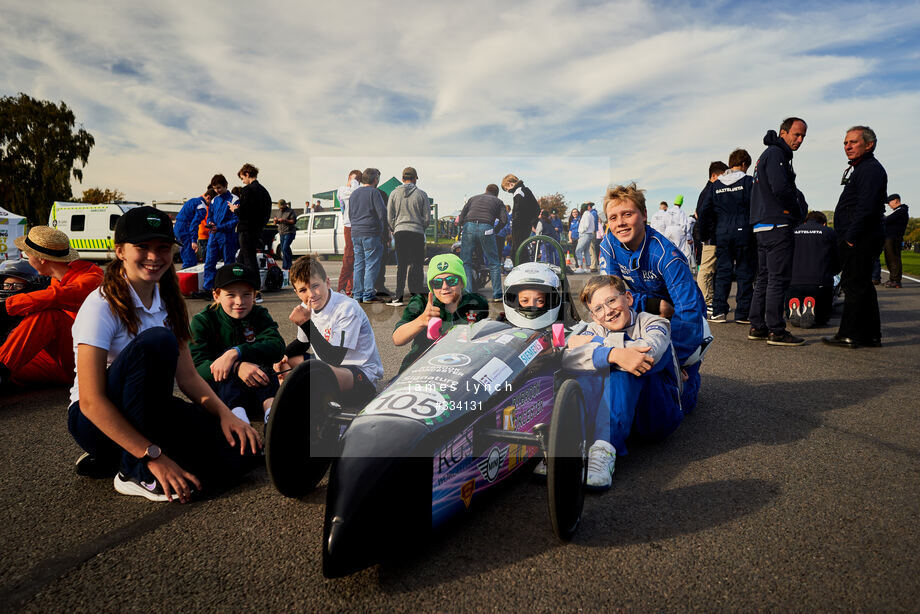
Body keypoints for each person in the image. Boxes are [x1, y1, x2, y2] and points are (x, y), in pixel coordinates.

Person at [67, 206, 260, 501]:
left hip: (151, 415)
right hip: (93, 421)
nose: (154, 257)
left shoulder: (169, 301)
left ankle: (115, 457)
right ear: (120, 251)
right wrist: (153, 457)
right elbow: (91, 402)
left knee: (243, 454)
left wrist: (227, 415)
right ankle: (132, 469)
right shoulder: (100, 306)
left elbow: (189, 378)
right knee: (157, 341)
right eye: (142, 247)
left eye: (162, 248)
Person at [563, 275, 683, 490]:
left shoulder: (654, 321)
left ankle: (604, 448)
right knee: (587, 370)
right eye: (598, 308)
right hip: (624, 414)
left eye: (611, 301)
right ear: (593, 316)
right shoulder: (595, 328)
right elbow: (569, 358)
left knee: (627, 368)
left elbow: (648, 353)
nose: (607, 311)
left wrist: (602, 347)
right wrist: (612, 353)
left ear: (628, 298)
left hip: (657, 416)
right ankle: (572, 444)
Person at [599, 183, 708, 413]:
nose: (620, 223)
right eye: (613, 217)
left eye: (628, 214)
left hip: (684, 318)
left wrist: (673, 360)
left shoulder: (666, 255)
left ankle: (691, 378)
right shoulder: (608, 244)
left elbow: (689, 312)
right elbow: (610, 298)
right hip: (651, 310)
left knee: (675, 402)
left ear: (644, 215)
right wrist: (652, 304)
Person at [0, 227, 103, 390]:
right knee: (10, 370)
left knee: (50, 316)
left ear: (41, 259)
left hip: (82, 362)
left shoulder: (90, 280)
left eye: (28, 253)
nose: (26, 257)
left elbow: (56, 297)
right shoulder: (57, 279)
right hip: (56, 359)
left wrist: (7, 306)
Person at [275, 255, 383, 408]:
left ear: (327, 282)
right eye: (303, 290)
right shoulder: (307, 306)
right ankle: (296, 398)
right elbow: (302, 343)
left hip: (360, 374)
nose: (311, 294)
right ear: (296, 292)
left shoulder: (347, 308)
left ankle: (306, 403)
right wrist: (280, 357)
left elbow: (334, 358)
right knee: (287, 363)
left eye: (315, 285)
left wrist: (306, 323)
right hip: (328, 366)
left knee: (314, 374)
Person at [190, 263, 284, 424]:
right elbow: (196, 366)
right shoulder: (203, 321)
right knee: (225, 377)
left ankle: (272, 417)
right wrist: (236, 367)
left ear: (255, 296)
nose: (239, 301)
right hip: (221, 395)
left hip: (257, 386)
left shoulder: (259, 314)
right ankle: (239, 421)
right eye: (231, 295)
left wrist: (237, 352)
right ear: (216, 295)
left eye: (247, 294)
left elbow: (277, 346)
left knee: (265, 370)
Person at [824, 126, 887, 349]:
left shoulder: (870, 169)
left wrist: (850, 237)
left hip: (860, 237)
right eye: (845, 143)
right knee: (863, 286)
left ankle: (849, 334)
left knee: (853, 286)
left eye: (853, 142)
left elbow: (866, 207)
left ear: (869, 145)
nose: (847, 146)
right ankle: (871, 335)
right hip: (861, 235)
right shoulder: (862, 168)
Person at [748, 117, 808, 346]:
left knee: (764, 277)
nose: (800, 140)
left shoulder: (769, 154)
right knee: (777, 279)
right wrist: (796, 212)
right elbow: (781, 188)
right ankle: (776, 330)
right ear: (783, 132)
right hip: (776, 224)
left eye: (803, 136)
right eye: (796, 134)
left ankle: (757, 325)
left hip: (762, 224)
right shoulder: (776, 154)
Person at [392, 254, 489, 374]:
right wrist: (421, 320)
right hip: (420, 369)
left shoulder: (475, 302)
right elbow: (397, 339)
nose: (444, 287)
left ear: (462, 283)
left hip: (459, 370)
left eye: (451, 281)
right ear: (431, 286)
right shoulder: (421, 301)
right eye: (437, 283)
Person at [699, 153, 756, 324]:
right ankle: (743, 313)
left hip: (721, 233)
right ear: (745, 164)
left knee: (722, 272)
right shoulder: (748, 182)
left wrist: (704, 235)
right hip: (744, 232)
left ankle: (718, 311)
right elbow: (756, 206)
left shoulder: (716, 185)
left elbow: (704, 211)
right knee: (744, 271)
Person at [387, 167, 431, 306]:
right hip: (416, 232)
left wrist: (396, 227)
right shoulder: (421, 194)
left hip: (400, 231)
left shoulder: (394, 193)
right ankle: (417, 296)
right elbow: (427, 218)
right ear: (415, 178)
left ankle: (398, 296)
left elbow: (390, 216)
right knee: (417, 265)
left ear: (402, 178)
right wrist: (420, 227)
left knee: (402, 265)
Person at [787, 211, 839, 328]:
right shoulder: (829, 232)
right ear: (824, 223)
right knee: (822, 319)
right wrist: (833, 272)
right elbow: (837, 257)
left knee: (792, 300)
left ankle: (796, 308)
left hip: (794, 282)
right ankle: (813, 309)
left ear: (805, 222)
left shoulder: (794, 231)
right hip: (820, 282)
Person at [457, 184, 508, 302]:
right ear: (497, 193)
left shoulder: (473, 198)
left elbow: (461, 217)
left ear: (485, 190)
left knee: (466, 262)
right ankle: (497, 295)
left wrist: (464, 228)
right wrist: (495, 230)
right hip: (487, 227)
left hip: (469, 226)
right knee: (494, 263)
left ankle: (469, 293)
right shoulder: (498, 201)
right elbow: (504, 220)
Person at [348, 168, 389, 304]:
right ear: (375, 179)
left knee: (359, 264)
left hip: (356, 232)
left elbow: (350, 214)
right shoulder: (374, 192)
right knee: (371, 263)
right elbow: (382, 214)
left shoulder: (354, 194)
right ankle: (368, 294)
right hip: (371, 232)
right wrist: (385, 233)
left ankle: (357, 294)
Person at [197, 174, 238, 299]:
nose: (217, 191)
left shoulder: (234, 199)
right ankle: (208, 288)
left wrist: (219, 227)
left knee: (229, 263)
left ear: (226, 185)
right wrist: (210, 222)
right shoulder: (215, 200)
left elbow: (235, 219)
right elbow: (210, 215)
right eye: (215, 188)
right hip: (214, 235)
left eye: (219, 188)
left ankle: (229, 289)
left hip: (227, 235)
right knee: (209, 262)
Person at [695, 161, 729, 310]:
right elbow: (702, 214)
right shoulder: (709, 191)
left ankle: (708, 299)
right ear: (714, 176)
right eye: (723, 175)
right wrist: (705, 236)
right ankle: (705, 300)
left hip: (711, 234)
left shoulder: (708, 190)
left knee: (710, 269)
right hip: (710, 236)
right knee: (706, 269)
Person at [236, 163, 272, 273]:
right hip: (257, 230)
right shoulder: (264, 191)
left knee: (249, 260)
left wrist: (235, 209)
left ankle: (253, 286)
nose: (242, 181)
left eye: (242, 178)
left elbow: (244, 212)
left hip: (246, 230)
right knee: (242, 259)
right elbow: (267, 212)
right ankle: (243, 283)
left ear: (247, 174)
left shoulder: (247, 190)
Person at [336, 170, 362, 297]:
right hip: (349, 226)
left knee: (355, 258)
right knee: (349, 257)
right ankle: (341, 287)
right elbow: (354, 193)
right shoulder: (342, 189)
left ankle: (349, 287)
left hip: (355, 226)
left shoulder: (353, 189)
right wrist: (354, 181)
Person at [174, 189, 214, 269]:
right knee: (190, 260)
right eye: (212, 202)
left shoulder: (192, 200)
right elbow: (194, 225)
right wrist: (194, 241)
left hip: (178, 227)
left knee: (185, 253)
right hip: (185, 229)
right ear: (208, 198)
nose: (212, 205)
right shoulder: (202, 207)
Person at [503, 174, 540, 259]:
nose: (508, 191)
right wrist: (531, 221)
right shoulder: (524, 190)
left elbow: (518, 210)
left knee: (517, 251)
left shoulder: (518, 192)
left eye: (506, 189)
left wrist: (515, 220)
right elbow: (536, 208)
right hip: (526, 224)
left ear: (510, 183)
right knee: (521, 249)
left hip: (520, 225)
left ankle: (521, 268)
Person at [883, 194, 909, 288]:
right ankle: (892, 278)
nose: (889, 205)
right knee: (889, 258)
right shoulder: (899, 211)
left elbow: (887, 220)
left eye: (889, 202)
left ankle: (896, 280)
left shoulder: (901, 211)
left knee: (893, 258)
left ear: (896, 201)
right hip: (891, 237)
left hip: (894, 237)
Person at [662, 194, 694, 266]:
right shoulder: (680, 212)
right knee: (679, 250)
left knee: (668, 249)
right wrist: (688, 237)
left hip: (668, 230)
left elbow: (663, 222)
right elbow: (685, 225)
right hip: (677, 230)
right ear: (681, 203)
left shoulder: (668, 211)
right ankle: (678, 266)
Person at [274, 199, 297, 270]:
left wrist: (284, 220)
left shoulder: (291, 211)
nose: (280, 208)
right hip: (281, 232)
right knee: (284, 250)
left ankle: (288, 266)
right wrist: (276, 221)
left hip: (289, 232)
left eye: (281, 206)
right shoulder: (278, 212)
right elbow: (276, 223)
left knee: (285, 248)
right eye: (279, 207)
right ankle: (287, 266)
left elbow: (293, 221)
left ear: (285, 205)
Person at [576, 203, 597, 274]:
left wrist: (581, 232)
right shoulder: (590, 214)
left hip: (585, 234)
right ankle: (588, 268)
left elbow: (586, 225)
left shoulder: (586, 215)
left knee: (578, 250)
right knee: (586, 251)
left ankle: (580, 267)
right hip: (590, 234)